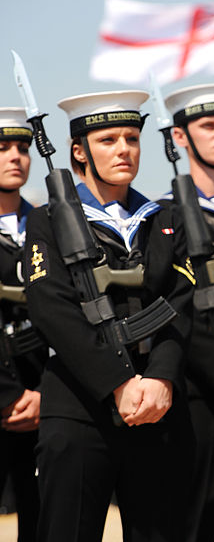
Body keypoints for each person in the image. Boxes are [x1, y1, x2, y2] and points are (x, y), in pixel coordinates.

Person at [24, 91, 194, 542]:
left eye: (132, 138)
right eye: (108, 140)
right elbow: (52, 309)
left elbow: (180, 301)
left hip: (157, 406)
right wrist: (118, 382)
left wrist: (160, 378)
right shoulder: (48, 221)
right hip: (81, 407)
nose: (123, 150)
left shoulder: (162, 217)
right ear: (79, 151)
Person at [161, 84, 214, 542]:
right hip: (203, 386)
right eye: (208, 126)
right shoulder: (164, 215)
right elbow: (173, 305)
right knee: (195, 521)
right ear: (179, 137)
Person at [0, 108, 46, 542]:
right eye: (2, 148)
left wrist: (42, 394)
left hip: (44, 400)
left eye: (22, 147)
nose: (16, 156)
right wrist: (8, 396)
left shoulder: (47, 225)